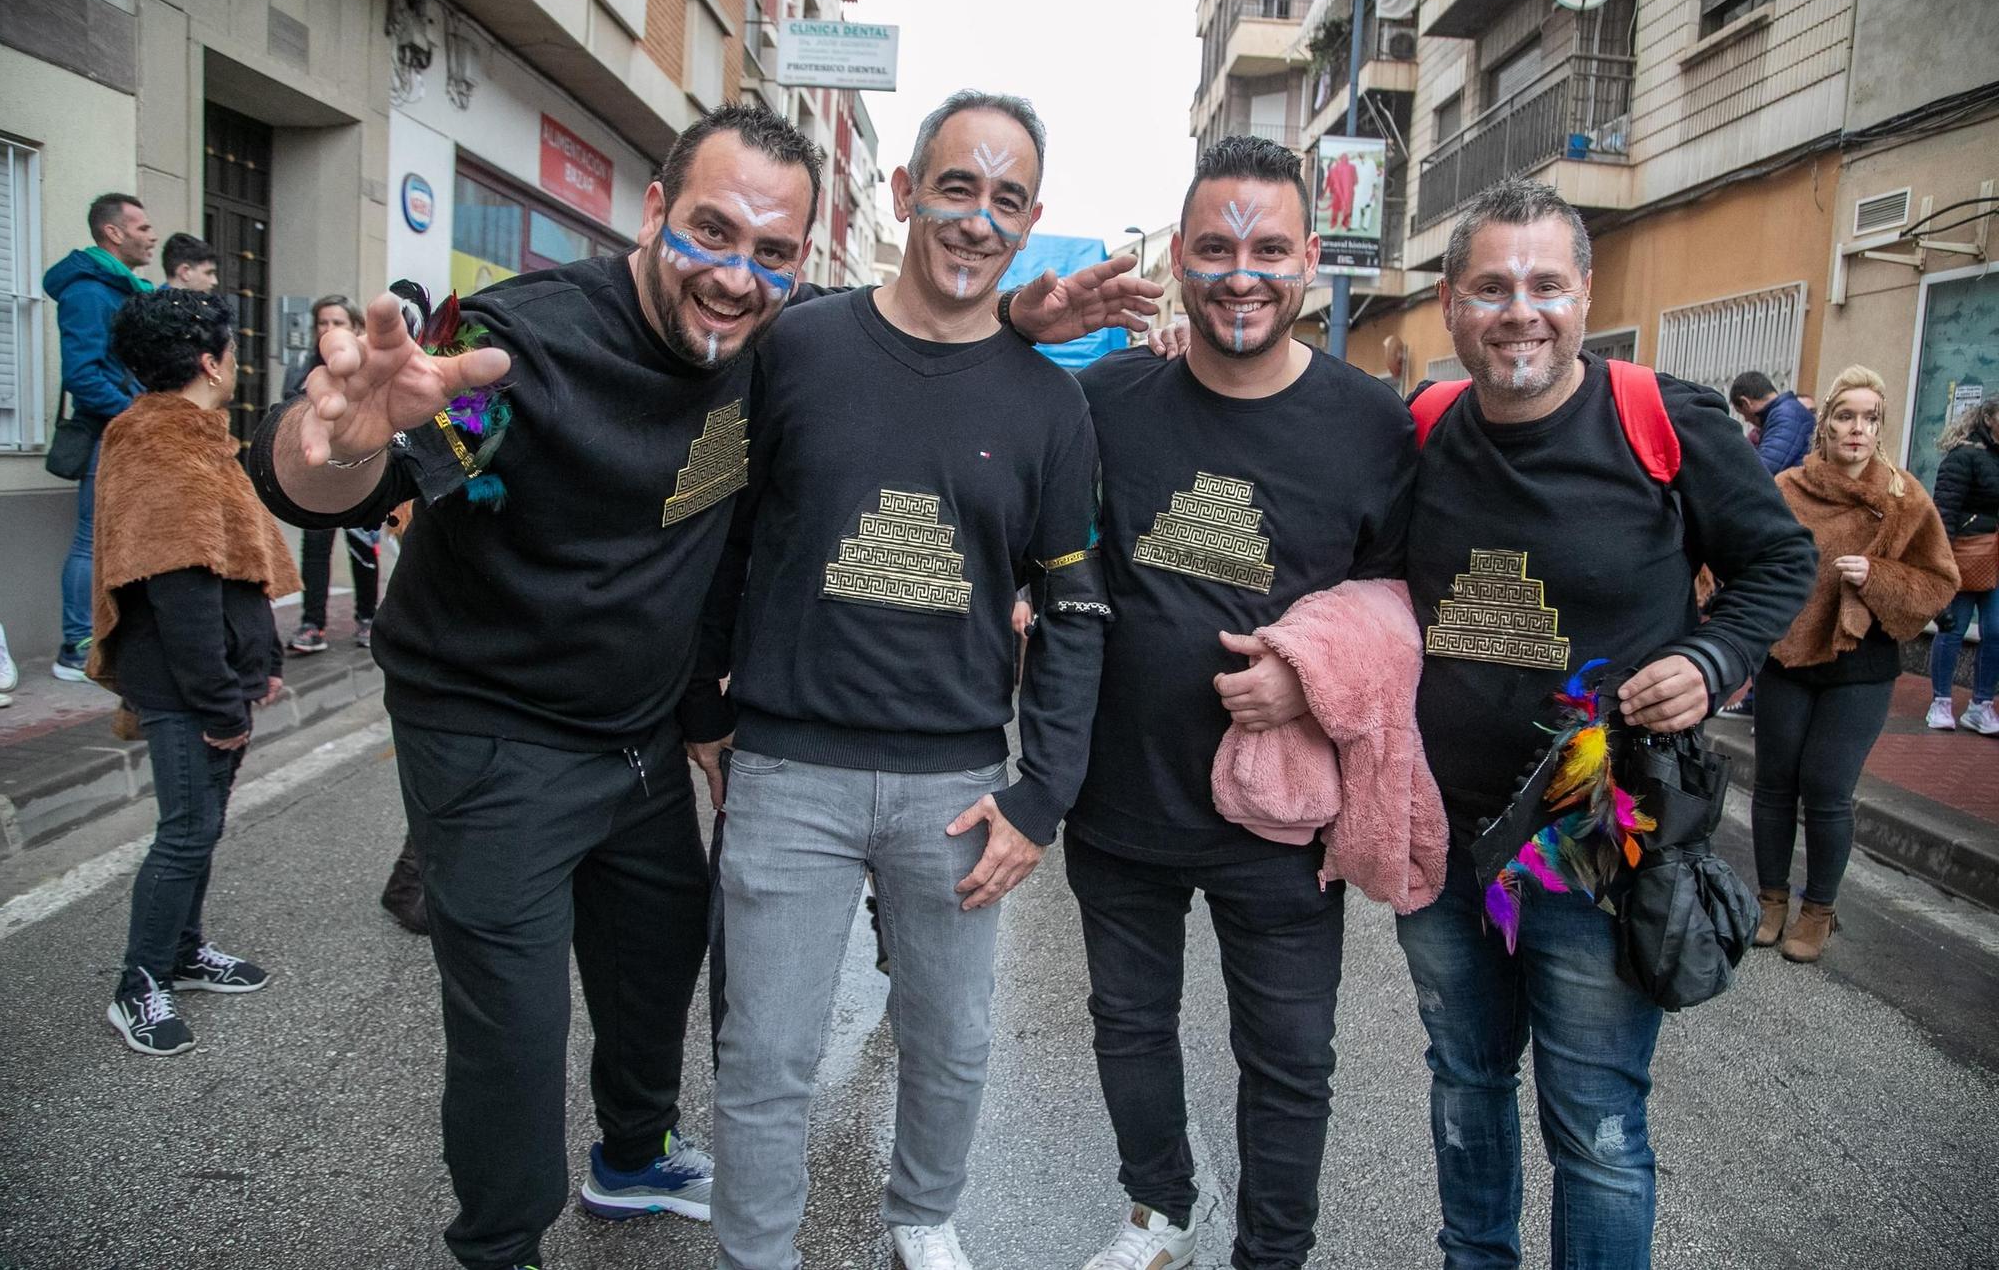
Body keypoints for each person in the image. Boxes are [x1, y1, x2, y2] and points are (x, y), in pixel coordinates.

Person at [249, 99, 1159, 1270]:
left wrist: (1018, 321)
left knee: (663, 951)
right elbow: (366, 463)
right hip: (499, 732)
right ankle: (502, 1243)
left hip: (651, 739)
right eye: (711, 233)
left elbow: (928, 386)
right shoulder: (527, 342)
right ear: (654, 210)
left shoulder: (780, 349)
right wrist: (343, 443)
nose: (735, 275)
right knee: (521, 1028)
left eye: (770, 252)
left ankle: (637, 1153)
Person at [697, 89, 1111, 1270]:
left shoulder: (1049, 404)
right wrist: (700, 709)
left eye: (1006, 198)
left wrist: (1043, 797)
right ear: (904, 193)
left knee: (950, 1037)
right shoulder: (796, 348)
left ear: (1030, 223)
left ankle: (923, 1215)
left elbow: (1076, 606)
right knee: (764, 1052)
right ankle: (754, 1251)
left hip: (957, 790)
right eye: (957, 186)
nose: (977, 219)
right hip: (787, 776)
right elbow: (721, 536)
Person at [1397, 178, 1817, 1269]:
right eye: (1489, 286)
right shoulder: (1425, 429)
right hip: (1443, 842)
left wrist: (1709, 655)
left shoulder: (1659, 419)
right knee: (1464, 1086)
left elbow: (1779, 560)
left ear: (1584, 295)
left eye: (1543, 284)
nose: (1517, 310)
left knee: (1594, 1128)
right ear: (1450, 305)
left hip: (1597, 834)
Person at [1065, 134, 1414, 1270]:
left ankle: (1271, 1252)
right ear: (1176, 257)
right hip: (1119, 800)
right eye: (1213, 248)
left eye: (1267, 247)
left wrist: (1310, 678)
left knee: (1286, 1057)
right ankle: (1159, 1206)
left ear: (1309, 258)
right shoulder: (1112, 396)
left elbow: (1404, 600)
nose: (1239, 272)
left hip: (1277, 818)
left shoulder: (1369, 422)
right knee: (1127, 1028)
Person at [89, 289, 298, 1055]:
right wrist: (220, 701)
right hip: (184, 685)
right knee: (184, 833)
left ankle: (183, 948)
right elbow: (180, 585)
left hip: (216, 679)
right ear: (210, 361)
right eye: (231, 348)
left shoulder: (198, 436)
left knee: (200, 827)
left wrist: (263, 662)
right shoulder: (158, 442)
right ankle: (138, 982)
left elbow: (237, 569)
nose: (236, 361)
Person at [1752, 367, 1958, 961]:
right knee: (1773, 782)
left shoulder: (1904, 496)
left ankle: (1818, 910)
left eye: (1871, 418)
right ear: (1826, 425)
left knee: (1827, 786)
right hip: (1786, 656)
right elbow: (1752, 556)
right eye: (1846, 416)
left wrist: (1881, 578)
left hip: (1860, 663)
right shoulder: (1788, 488)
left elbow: (1940, 581)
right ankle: (1770, 902)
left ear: (1880, 427)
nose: (1858, 429)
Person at [43, 192, 156, 681]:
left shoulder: (123, 287)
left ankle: (106, 638)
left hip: (128, 433)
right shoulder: (89, 291)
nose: (151, 236)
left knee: (117, 540)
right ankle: (75, 646)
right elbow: (84, 376)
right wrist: (136, 416)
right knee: (92, 541)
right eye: (141, 227)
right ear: (113, 232)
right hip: (105, 436)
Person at [281, 294, 380, 652]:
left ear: (355, 328)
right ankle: (312, 625)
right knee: (315, 550)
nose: (328, 330)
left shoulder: (371, 369)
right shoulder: (301, 368)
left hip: (360, 475)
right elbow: (285, 418)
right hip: (317, 477)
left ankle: (367, 619)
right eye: (322, 323)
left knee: (362, 550)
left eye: (337, 323)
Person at [1925, 396, 1999, 734]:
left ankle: (1981, 704)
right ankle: (1940, 702)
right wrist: (1943, 559)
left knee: (1996, 632)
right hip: (1967, 555)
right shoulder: (1964, 456)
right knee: (1953, 628)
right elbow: (1944, 512)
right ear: (1989, 418)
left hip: (1995, 557)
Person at [1729, 369, 1812, 473]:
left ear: (1746, 403)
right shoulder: (1785, 412)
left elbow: (1762, 472)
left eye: (1742, 412)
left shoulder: (1786, 415)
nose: (1745, 419)